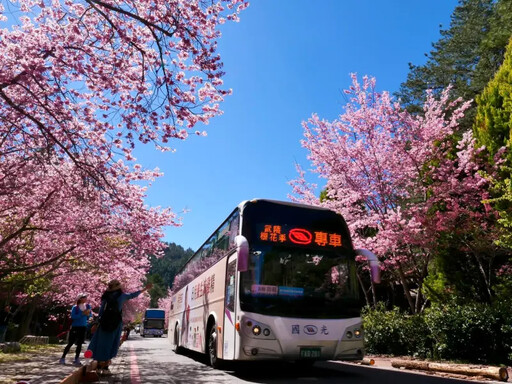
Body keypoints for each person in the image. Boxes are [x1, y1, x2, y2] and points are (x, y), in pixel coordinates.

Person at [86, 280, 152, 370]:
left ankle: (98, 363)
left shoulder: (106, 296)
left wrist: (97, 322)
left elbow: (101, 311)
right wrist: (144, 289)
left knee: (101, 342)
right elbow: (133, 295)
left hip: (104, 322)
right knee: (112, 342)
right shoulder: (122, 296)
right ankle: (106, 366)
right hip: (116, 323)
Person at [59, 293, 92, 366]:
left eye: (86, 297)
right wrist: (82, 314)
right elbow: (73, 316)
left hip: (83, 327)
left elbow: (90, 315)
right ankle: (63, 357)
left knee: (80, 343)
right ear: (80, 299)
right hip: (75, 327)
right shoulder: (75, 307)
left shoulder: (87, 306)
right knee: (70, 343)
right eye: (84, 297)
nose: (86, 298)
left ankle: (76, 358)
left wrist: (89, 315)